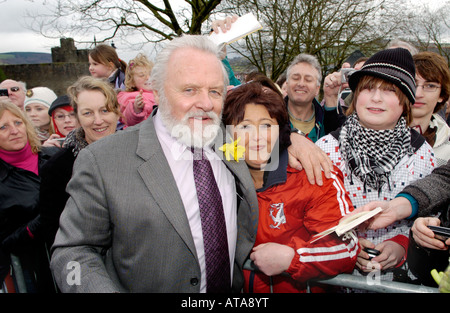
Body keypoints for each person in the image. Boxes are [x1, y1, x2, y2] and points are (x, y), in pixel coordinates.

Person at [50, 35, 332, 293]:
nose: (205, 103)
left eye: (215, 91)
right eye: (189, 90)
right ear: (157, 92)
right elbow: (73, 252)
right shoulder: (104, 160)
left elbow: (262, 133)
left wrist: (292, 138)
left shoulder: (228, 143)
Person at [222, 79, 359, 293]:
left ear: (281, 130)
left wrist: (292, 258)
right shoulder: (223, 177)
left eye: (267, 125)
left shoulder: (313, 176)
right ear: (229, 134)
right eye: (245, 126)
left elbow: (347, 248)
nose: (257, 136)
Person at [315, 48, 435, 285]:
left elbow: (432, 216)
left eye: (389, 90)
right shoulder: (325, 149)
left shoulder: (422, 154)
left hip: (400, 281)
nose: (376, 98)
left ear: (406, 103)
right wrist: (345, 246)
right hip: (337, 280)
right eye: (368, 88)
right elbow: (310, 213)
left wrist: (402, 245)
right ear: (355, 95)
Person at [2, 76, 121, 259]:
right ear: (78, 118)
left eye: (105, 110)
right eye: (88, 113)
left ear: (117, 112)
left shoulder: (137, 154)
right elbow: (57, 237)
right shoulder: (58, 167)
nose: (98, 120)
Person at [356, 160, 449, 287]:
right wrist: (396, 208)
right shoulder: (329, 146)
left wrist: (401, 244)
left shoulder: (421, 153)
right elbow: (444, 179)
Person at [0, 99, 58, 292]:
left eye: (18, 123)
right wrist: (34, 227)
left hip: (78, 260)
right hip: (34, 271)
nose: (14, 131)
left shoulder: (53, 156)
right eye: (3, 127)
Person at [284, 53, 344, 142]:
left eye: (308, 80)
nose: (301, 84)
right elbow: (271, 155)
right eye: (296, 78)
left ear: (317, 89)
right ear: (287, 85)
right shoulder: (271, 118)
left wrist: (331, 96)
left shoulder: (326, 122)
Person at [410, 51, 450, 167]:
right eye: (413, 83)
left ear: (442, 95)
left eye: (430, 86)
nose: (418, 94)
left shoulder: (446, 142)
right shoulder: (376, 133)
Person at [117, 53, 156, 127]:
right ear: (132, 82)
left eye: (151, 74)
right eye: (142, 75)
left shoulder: (161, 94)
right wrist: (136, 109)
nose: (148, 78)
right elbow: (129, 120)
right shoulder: (132, 98)